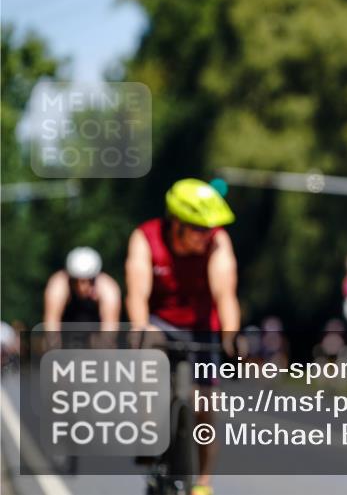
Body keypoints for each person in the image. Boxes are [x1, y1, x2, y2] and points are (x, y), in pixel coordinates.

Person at [125, 179, 239, 495]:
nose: (206, 235)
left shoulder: (218, 242)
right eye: (198, 229)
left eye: (209, 229)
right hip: (160, 323)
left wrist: (230, 335)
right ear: (176, 223)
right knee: (148, 354)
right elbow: (137, 292)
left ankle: (203, 483)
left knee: (206, 409)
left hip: (202, 326)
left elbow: (225, 294)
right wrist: (140, 326)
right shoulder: (145, 237)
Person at [43, 247, 121, 346]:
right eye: (76, 280)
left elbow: (110, 329)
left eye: (88, 280)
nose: (82, 287)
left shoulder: (108, 289)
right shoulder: (58, 286)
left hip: (95, 335)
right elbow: (51, 325)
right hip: (65, 334)